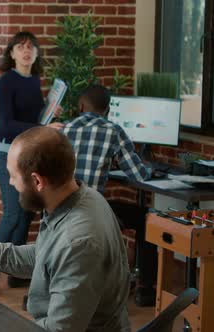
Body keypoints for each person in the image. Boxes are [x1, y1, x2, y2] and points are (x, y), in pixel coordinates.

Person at [0, 127, 131, 332]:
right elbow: (45, 258)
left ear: (38, 181)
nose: (11, 183)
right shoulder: (82, 198)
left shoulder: (78, 242)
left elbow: (59, 330)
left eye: (13, 176)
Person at [0, 30, 64, 294]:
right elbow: (8, 123)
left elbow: (32, 119)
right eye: (20, 47)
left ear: (37, 53)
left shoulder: (35, 80)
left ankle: (16, 274)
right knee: (13, 214)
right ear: (12, 53)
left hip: (29, 151)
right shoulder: (6, 81)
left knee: (28, 211)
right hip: (7, 152)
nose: (26, 51)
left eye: (31, 47)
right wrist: (44, 127)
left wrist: (50, 114)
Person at [62, 84, 156, 306]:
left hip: (61, 208)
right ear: (107, 109)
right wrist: (151, 169)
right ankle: (146, 290)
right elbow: (139, 175)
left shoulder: (63, 129)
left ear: (81, 106)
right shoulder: (113, 131)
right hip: (91, 211)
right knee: (147, 217)